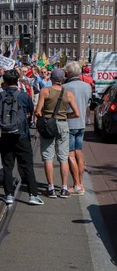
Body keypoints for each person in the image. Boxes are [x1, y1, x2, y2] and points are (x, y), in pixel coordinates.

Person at [0, 69, 44, 205]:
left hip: (5, 135)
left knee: (7, 165)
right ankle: (33, 195)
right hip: (21, 135)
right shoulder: (24, 96)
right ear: (17, 81)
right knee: (27, 165)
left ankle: (8, 194)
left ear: (5, 81)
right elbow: (32, 110)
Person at [35, 68, 80, 198]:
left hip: (48, 124)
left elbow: (38, 111)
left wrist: (45, 116)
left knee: (48, 156)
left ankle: (51, 188)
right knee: (63, 157)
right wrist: (65, 116)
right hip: (63, 124)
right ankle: (64, 188)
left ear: (52, 79)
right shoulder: (69, 93)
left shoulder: (45, 91)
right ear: (63, 79)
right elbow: (77, 113)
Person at [63, 62, 91, 195]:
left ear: (68, 73)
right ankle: (81, 183)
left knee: (70, 154)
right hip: (81, 123)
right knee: (79, 153)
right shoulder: (87, 86)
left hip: (69, 123)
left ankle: (76, 186)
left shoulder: (65, 87)